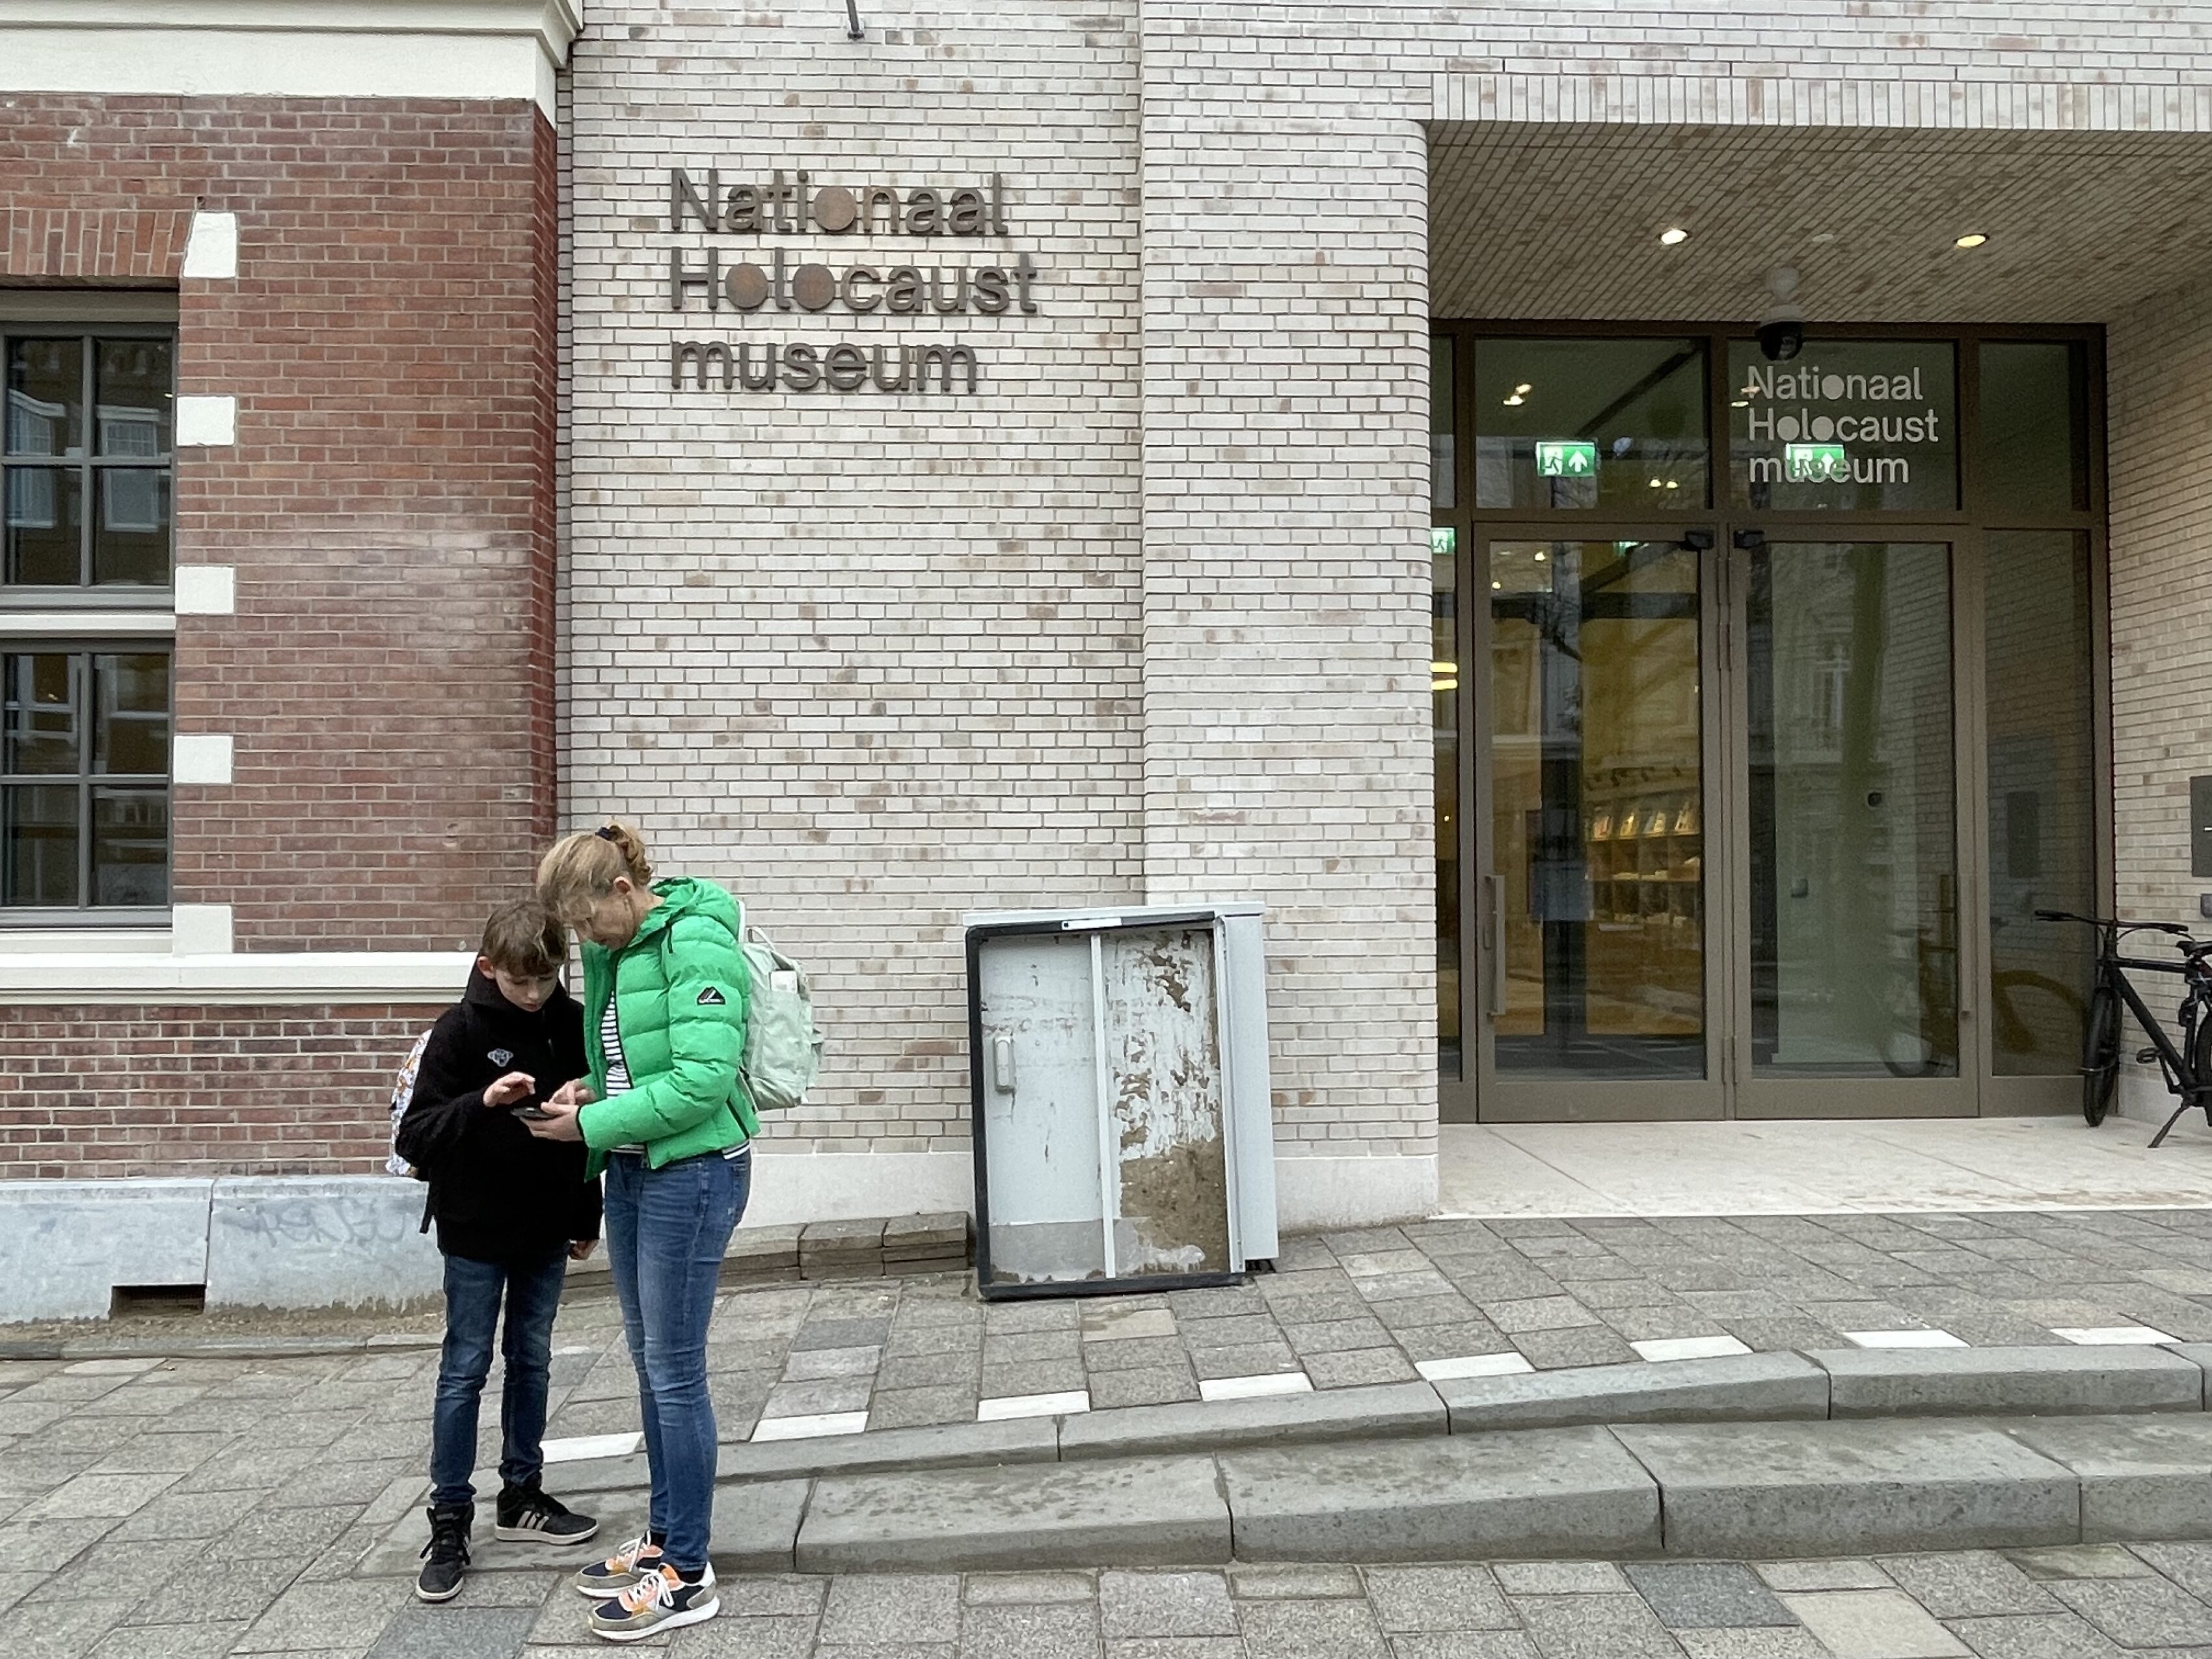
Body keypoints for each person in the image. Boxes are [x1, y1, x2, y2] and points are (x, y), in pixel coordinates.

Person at [524, 820, 755, 1643]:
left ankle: (688, 1575)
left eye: (589, 921)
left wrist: (588, 1127)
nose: (585, 939)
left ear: (623, 891)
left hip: (692, 1172)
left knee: (675, 1372)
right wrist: (590, 1091)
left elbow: (701, 1083)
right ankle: (664, 1538)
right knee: (653, 1364)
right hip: (632, 1166)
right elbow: (636, 1062)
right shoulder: (616, 949)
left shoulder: (696, 941)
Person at [393, 898, 603, 1603]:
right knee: (465, 1368)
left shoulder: (572, 1023)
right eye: (520, 981)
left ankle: (522, 1494)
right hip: (475, 1226)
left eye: (547, 979)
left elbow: (590, 1129)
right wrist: (482, 1101)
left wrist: (587, 1211)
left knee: (533, 1359)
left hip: (545, 1223)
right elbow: (415, 1135)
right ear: (489, 968)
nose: (534, 993)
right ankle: (450, 1515)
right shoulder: (458, 1029)